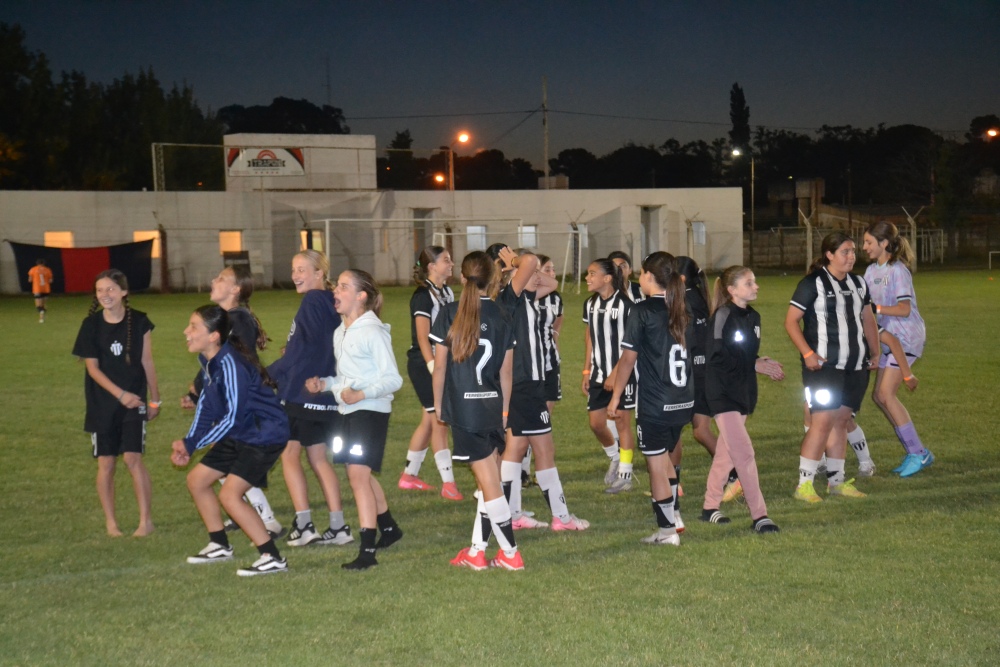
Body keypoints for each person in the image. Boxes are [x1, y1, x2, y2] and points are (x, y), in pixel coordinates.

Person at [172, 305, 291, 576]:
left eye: (193, 327)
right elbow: (207, 406)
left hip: (264, 434)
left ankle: (272, 557)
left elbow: (233, 417)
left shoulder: (231, 364)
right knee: (197, 480)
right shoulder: (209, 361)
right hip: (243, 432)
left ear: (214, 336)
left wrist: (193, 446)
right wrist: (189, 441)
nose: (186, 332)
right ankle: (219, 544)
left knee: (230, 495)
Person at [430, 251, 523, 570]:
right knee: (490, 481)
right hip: (493, 406)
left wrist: (440, 407)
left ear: (462, 279)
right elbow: (507, 373)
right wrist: (506, 412)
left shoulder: (448, 312)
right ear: (494, 279)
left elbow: (439, 368)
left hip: (465, 410)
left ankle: (511, 554)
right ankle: (476, 551)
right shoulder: (502, 314)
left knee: (490, 483)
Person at [306, 269, 404, 570]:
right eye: (337, 285)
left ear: (361, 296)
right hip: (348, 410)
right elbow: (347, 378)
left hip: (369, 411)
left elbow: (393, 379)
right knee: (357, 471)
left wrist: (362, 395)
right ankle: (389, 528)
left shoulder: (372, 332)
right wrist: (326, 384)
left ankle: (367, 552)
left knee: (357, 475)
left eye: (344, 286)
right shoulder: (341, 330)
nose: (336, 290)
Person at [181, 265, 284, 538]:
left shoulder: (236, 319)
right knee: (224, 461)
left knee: (230, 459)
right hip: (231, 401)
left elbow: (228, 364)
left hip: (242, 406)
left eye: (222, 278)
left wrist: (199, 390)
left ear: (236, 289)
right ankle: (246, 514)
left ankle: (265, 519)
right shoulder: (230, 318)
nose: (214, 280)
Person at [785, 232, 880, 502]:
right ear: (829, 254)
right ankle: (804, 485)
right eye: (845, 252)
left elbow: (868, 319)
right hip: (824, 367)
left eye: (852, 251)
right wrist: (807, 353)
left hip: (855, 365)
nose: (851, 256)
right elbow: (791, 322)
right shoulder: (812, 283)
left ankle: (836, 482)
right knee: (822, 422)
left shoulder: (859, 283)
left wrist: (875, 352)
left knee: (840, 421)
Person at [268, 250, 353, 548]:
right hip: (325, 394)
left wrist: (269, 374)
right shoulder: (332, 303)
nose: (295, 275)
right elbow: (315, 346)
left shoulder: (313, 301)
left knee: (289, 454)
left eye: (302, 269)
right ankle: (338, 526)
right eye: (293, 269)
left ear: (320, 273)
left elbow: (301, 354)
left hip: (303, 394)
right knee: (318, 458)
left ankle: (304, 525)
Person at [608, 252, 692, 545]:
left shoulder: (643, 311)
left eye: (642, 273)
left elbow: (628, 359)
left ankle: (666, 531)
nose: (638, 278)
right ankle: (675, 516)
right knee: (666, 459)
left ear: (648, 278)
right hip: (684, 401)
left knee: (655, 465)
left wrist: (616, 396)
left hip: (656, 402)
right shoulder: (682, 307)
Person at [72, 269, 160, 537]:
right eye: (100, 290)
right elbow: (93, 370)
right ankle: (111, 523)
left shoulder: (141, 322)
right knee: (107, 463)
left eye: (110, 289)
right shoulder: (91, 325)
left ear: (124, 292)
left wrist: (154, 399)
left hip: (135, 403)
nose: (104, 295)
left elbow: (147, 361)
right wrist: (120, 394)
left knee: (133, 459)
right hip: (102, 404)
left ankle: (145, 521)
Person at [700, 266, 784, 532]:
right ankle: (760, 516)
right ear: (732, 290)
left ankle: (709, 507)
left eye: (755, 282)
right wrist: (753, 364)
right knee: (744, 454)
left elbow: (744, 354)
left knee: (726, 454)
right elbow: (715, 355)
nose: (755, 286)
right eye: (749, 283)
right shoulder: (722, 315)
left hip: (743, 393)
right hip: (722, 394)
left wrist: (757, 362)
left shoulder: (754, 317)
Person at [862, 221, 931, 477]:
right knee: (878, 397)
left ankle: (919, 453)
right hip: (887, 337)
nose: (864, 246)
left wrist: (875, 309)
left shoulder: (898, 271)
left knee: (886, 394)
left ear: (884, 244)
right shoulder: (870, 271)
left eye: (869, 242)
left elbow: (904, 309)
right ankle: (914, 451)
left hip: (905, 336)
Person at [398, 246, 462, 500]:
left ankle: (409, 476)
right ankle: (448, 483)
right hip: (424, 363)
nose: (452, 263)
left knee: (429, 420)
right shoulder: (422, 296)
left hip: (441, 361)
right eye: (446, 260)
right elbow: (423, 338)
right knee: (440, 420)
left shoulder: (445, 291)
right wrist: (433, 366)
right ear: (431, 266)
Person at [672, 256, 724, 509]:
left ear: (680, 278)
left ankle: (672, 482)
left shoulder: (686, 301)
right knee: (701, 431)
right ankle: (734, 474)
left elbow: (685, 341)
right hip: (703, 373)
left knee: (673, 430)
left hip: (691, 375)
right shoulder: (699, 298)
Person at [583, 257, 637, 494]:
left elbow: (630, 345)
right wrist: (587, 370)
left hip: (623, 374)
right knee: (596, 424)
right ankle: (615, 457)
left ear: (607, 278)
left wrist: (615, 374)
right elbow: (590, 338)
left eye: (592, 273)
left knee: (623, 422)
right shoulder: (590, 304)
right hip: (597, 373)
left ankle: (625, 475)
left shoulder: (626, 305)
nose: (587, 277)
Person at [521, 254, 564, 487]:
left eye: (551, 269)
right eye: (545, 269)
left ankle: (532, 470)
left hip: (549, 365)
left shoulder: (555, 298)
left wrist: (553, 341)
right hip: (528, 368)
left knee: (543, 419)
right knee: (529, 419)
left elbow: (558, 321)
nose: (550, 273)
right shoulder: (524, 296)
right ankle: (522, 470)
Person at [28, 258, 53, 323]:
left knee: (38, 306)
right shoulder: (47, 270)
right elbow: (51, 280)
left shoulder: (33, 269)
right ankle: (41, 318)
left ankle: (41, 316)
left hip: (37, 289)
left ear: (37, 263)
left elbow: (30, 280)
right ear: (44, 263)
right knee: (43, 304)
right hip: (46, 289)